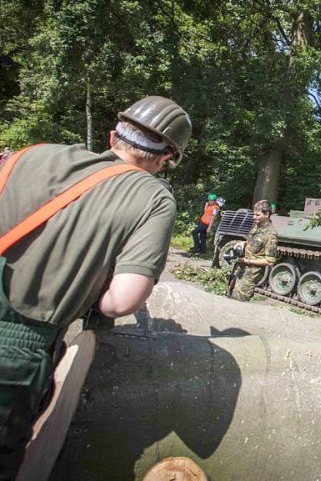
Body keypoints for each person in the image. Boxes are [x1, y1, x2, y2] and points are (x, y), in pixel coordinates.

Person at [0, 95, 191, 479]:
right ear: (165, 158)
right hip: (17, 352)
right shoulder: (153, 197)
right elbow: (122, 301)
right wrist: (86, 291)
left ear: (112, 135)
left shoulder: (30, 155)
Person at [230, 200, 278, 302]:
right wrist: (244, 243)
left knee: (239, 301)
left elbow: (269, 261)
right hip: (240, 268)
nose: (254, 217)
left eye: (257, 215)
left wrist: (247, 261)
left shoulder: (271, 235)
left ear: (267, 214)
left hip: (251, 274)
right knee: (231, 294)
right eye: (253, 214)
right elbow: (253, 241)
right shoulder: (257, 225)